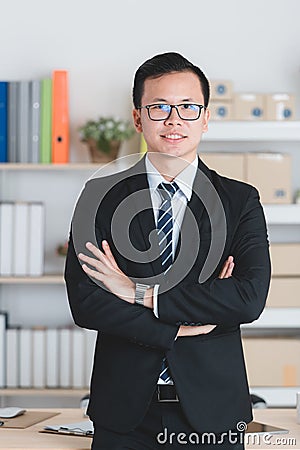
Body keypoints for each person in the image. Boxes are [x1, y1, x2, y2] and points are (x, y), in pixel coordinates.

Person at [64, 52, 271, 449]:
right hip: (123, 413)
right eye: (159, 107)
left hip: (214, 412)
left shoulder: (240, 201)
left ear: (206, 118)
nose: (174, 120)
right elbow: (86, 302)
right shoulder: (99, 198)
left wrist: (135, 293)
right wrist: (180, 326)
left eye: (188, 108)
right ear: (138, 118)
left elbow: (247, 299)